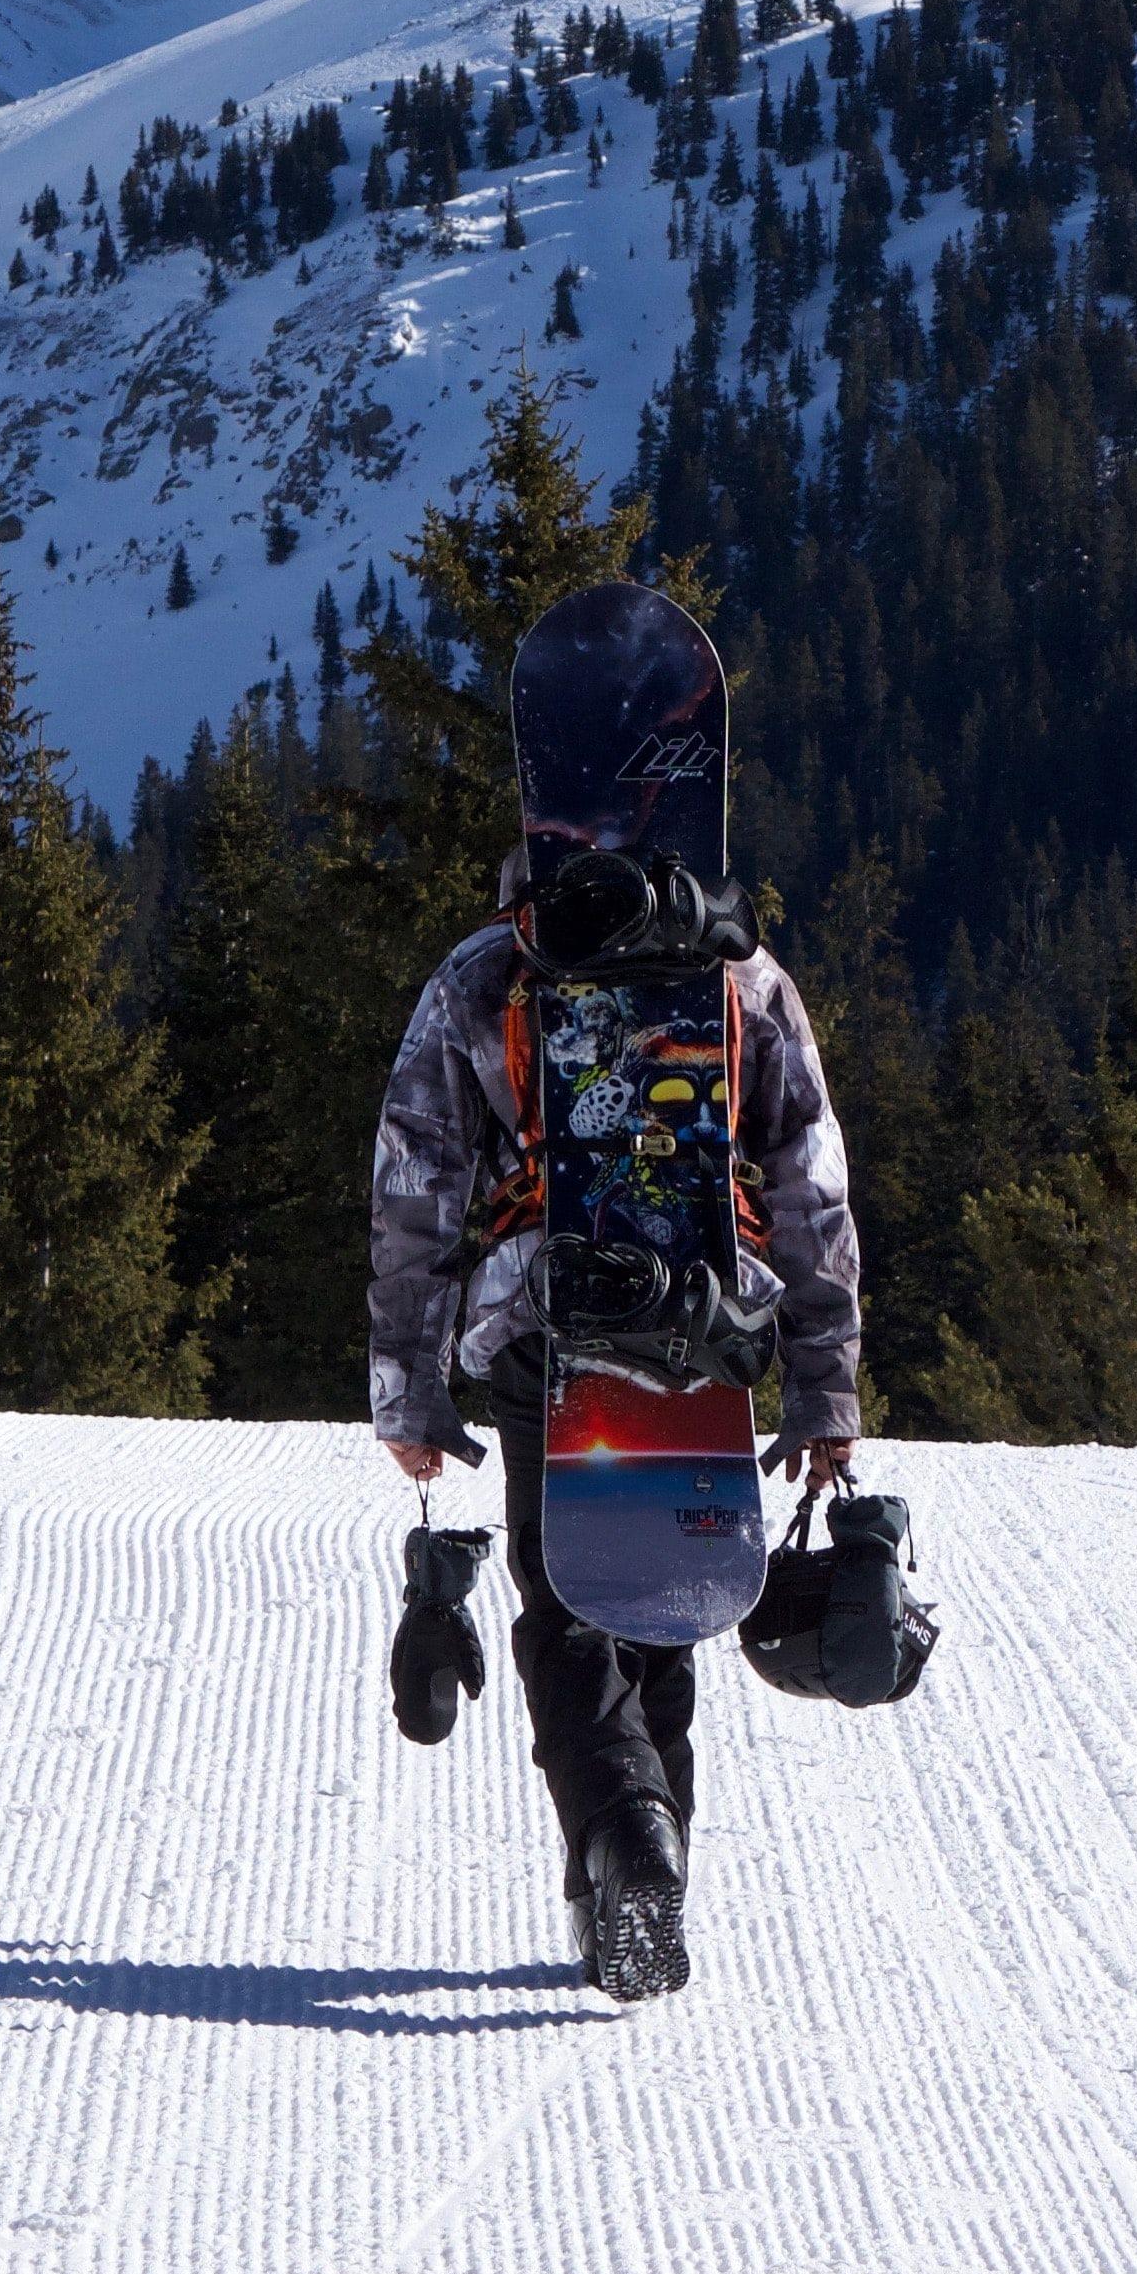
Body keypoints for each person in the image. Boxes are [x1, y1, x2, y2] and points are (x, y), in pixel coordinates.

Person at [367, 842, 863, 1995]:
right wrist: (822, 1384)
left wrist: (412, 1381)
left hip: (553, 1314)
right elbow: (811, 1179)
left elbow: (417, 1178)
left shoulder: (487, 976)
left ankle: (623, 1834)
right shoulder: (743, 974)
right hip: (711, 1313)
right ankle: (644, 1871)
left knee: (570, 1591)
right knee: (662, 1587)